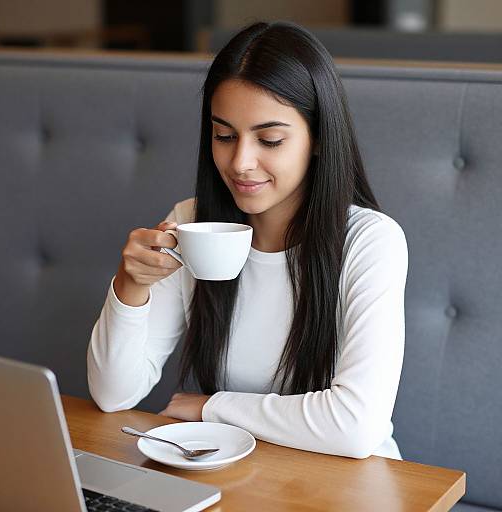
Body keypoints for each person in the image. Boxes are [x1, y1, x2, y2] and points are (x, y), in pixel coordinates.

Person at [87, 21, 408, 460]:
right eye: (224, 136)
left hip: (351, 484)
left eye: (270, 139)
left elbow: (355, 426)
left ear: (317, 139)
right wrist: (131, 286)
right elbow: (113, 394)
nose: (240, 162)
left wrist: (211, 407)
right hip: (237, 473)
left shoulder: (371, 241)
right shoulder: (189, 223)